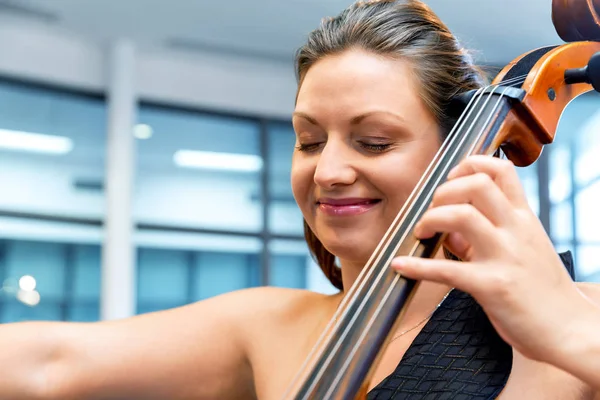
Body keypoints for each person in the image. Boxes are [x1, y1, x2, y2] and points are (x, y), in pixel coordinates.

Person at [1, 0, 600, 399]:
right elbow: (49, 363)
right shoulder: (271, 326)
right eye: (309, 141)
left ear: (457, 153)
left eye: (372, 141)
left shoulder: (575, 318)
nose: (330, 171)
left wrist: (572, 334)